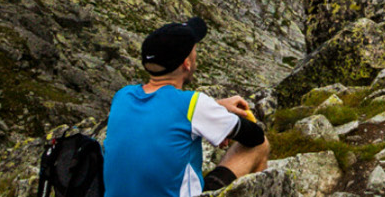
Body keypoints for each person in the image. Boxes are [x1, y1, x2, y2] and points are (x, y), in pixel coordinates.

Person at [104, 17, 268, 196]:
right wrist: (219, 120)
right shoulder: (193, 104)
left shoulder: (122, 96)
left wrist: (216, 108)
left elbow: (161, 114)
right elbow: (254, 136)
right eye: (194, 49)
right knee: (261, 146)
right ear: (186, 64)